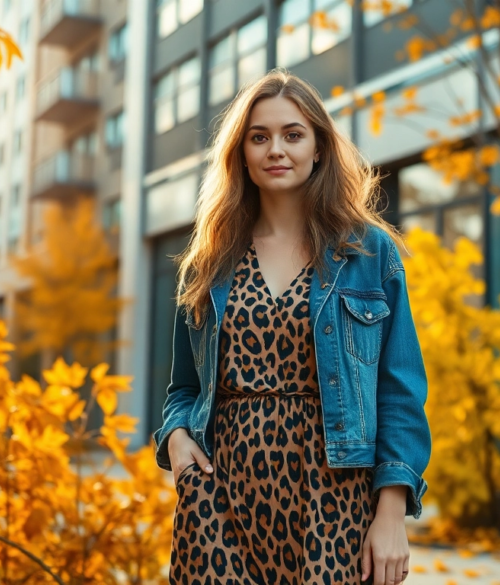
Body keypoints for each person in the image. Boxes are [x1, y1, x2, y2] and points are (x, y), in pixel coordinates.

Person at [152, 69, 431, 585]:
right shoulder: (209, 261)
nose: (275, 149)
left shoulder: (369, 253)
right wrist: (175, 440)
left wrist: (391, 512)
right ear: (241, 152)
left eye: (292, 134)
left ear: (319, 148)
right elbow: (184, 389)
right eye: (259, 137)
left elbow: (399, 388)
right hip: (219, 498)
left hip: (334, 499)